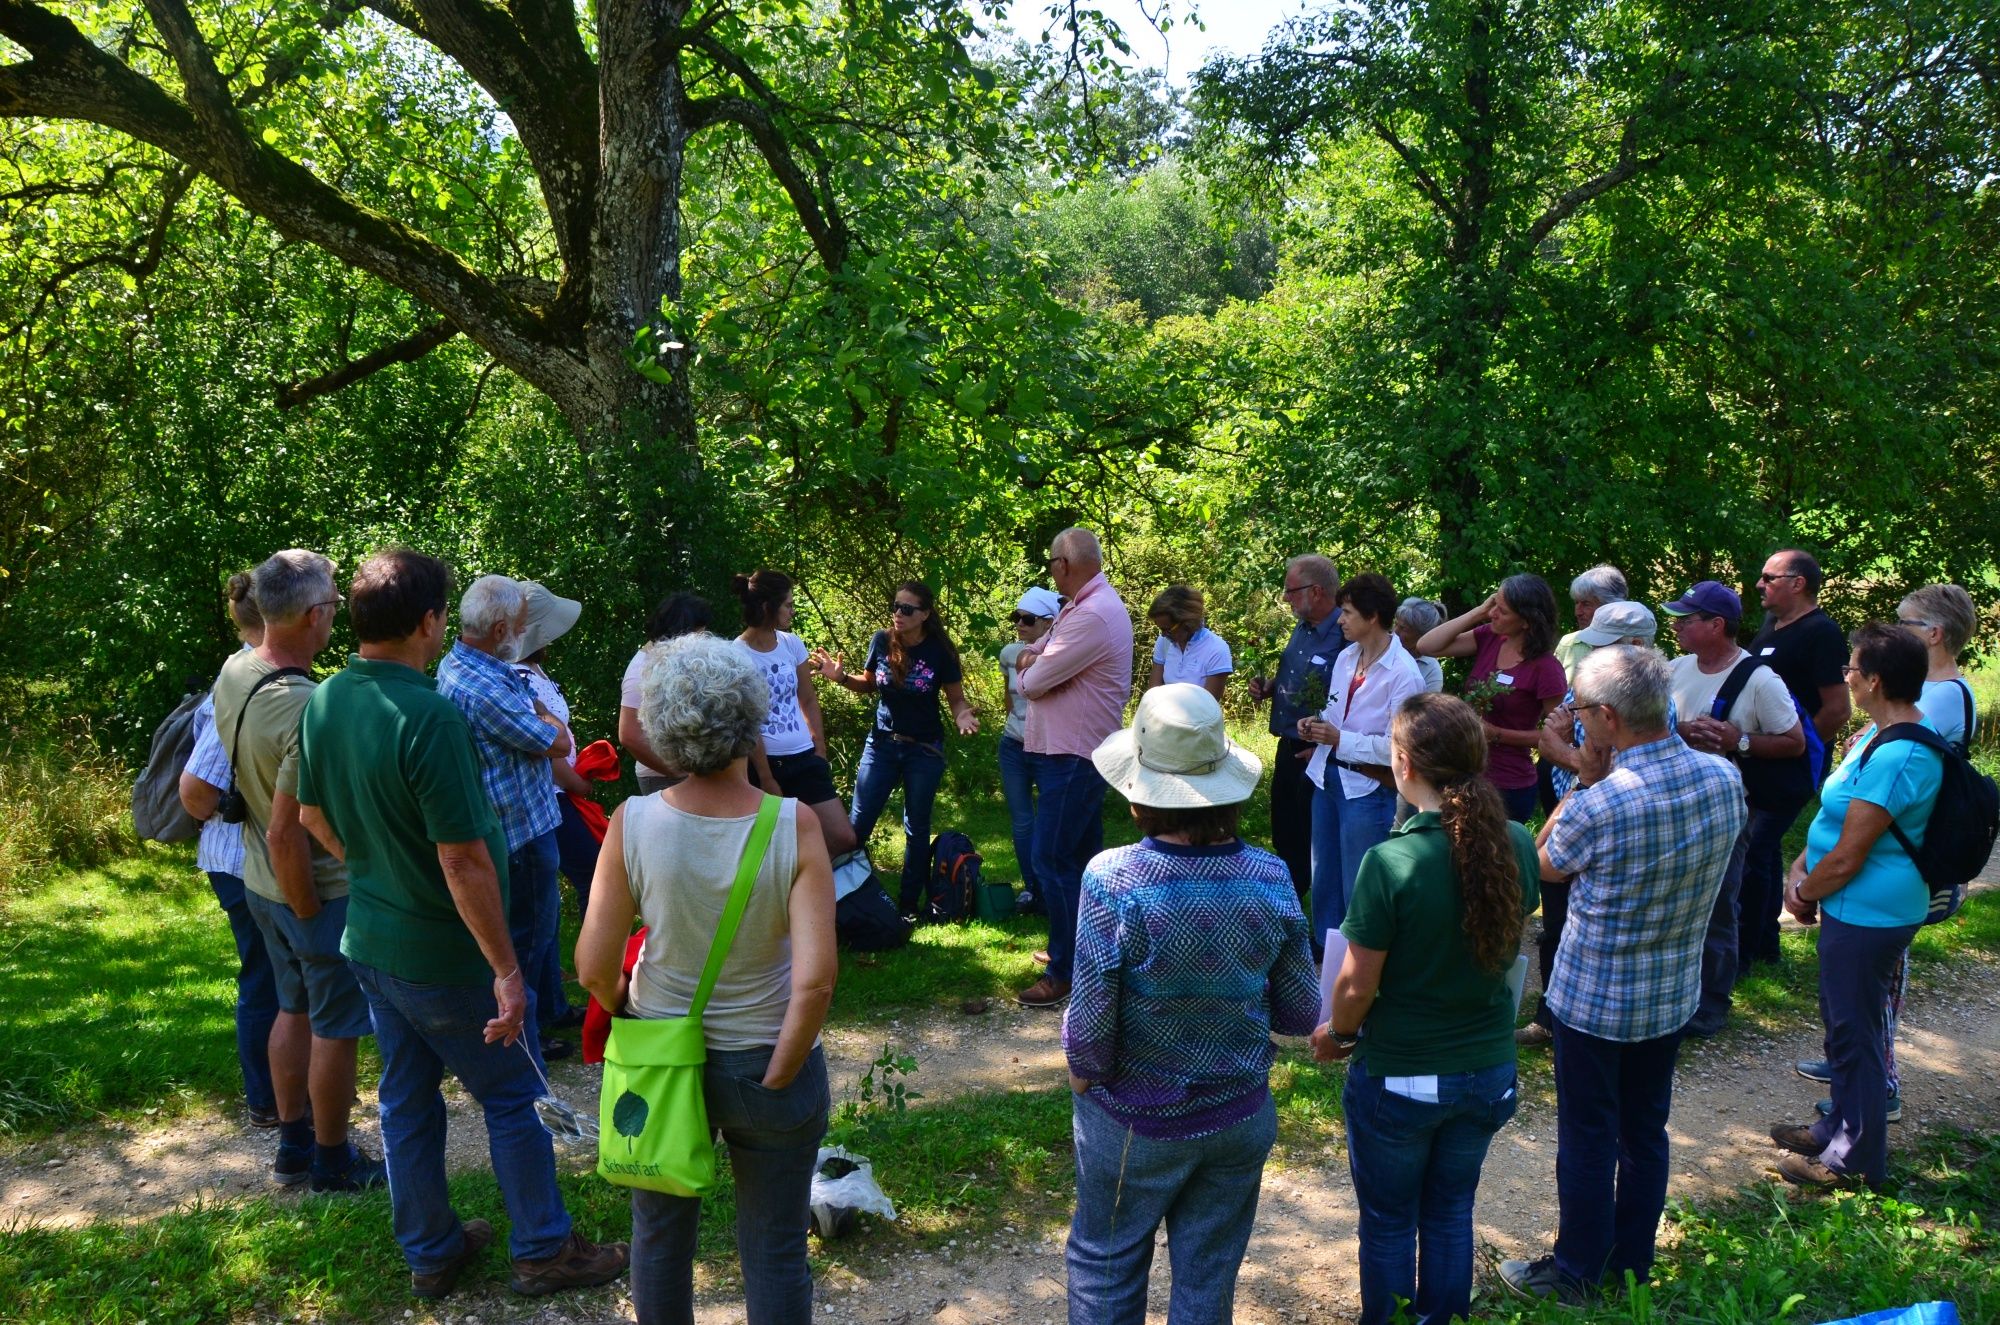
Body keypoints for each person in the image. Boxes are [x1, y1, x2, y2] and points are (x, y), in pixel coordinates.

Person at [295, 549, 629, 1301]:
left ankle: (430, 1249)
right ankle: (544, 1247)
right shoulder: (428, 714)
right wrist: (508, 972)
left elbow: (311, 812)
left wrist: (375, 868)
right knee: (515, 1093)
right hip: (443, 955)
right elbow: (463, 861)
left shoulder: (326, 699)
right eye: (442, 612)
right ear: (428, 622)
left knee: (406, 1097)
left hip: (371, 942)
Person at [576, 633, 836, 1325]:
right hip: (767, 1058)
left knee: (659, 1239)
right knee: (777, 1245)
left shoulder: (632, 823)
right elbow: (815, 981)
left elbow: (592, 966)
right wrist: (781, 1069)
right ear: (750, 720)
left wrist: (621, 1002)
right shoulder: (795, 823)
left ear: (664, 730)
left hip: (663, 1056)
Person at [1063, 684, 1317, 1325]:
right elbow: (1297, 1012)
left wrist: (1083, 1070)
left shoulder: (1114, 878)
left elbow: (1092, 1021)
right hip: (1239, 1114)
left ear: (1138, 789)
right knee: (1207, 1276)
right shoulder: (1269, 874)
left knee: (1106, 1262)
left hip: (1135, 1120)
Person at [1500, 646, 1745, 1304]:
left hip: (1593, 999)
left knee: (1587, 1132)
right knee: (1644, 1130)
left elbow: (1539, 864)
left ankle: (1576, 1269)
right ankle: (1631, 1261)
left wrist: (1582, 779)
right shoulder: (1722, 779)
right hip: (1670, 993)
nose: (1575, 720)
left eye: (1579, 711)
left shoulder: (1601, 802)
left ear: (1606, 716)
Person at [1313, 692, 1539, 1325]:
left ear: (1404, 763)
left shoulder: (1390, 861)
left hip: (1403, 1074)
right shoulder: (1515, 843)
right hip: (1488, 1072)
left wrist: (1340, 1035)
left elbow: (1356, 987)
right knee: (1449, 1211)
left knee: (1389, 1221)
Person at [210, 549, 382, 1191]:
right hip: (305, 890)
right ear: (315, 616)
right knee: (336, 1030)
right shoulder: (309, 706)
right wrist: (312, 910)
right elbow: (293, 828)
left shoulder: (237, 669)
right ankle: (334, 1161)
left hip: (257, 883)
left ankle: (292, 1147)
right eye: (334, 604)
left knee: (293, 1010)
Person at [1794, 585, 1984, 1121]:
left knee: (1873, 1000)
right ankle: (1856, 1100)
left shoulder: (1930, 709)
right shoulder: (1930, 702)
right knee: (1864, 1000)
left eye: (1906, 626)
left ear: (1935, 635)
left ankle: (1871, 1105)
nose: (1897, 634)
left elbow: (1878, 809)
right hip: (1871, 883)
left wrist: (1807, 886)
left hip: (1882, 886)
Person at [1770, 625, 1943, 1189]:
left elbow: (1850, 854)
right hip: (1850, 904)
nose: (1845, 676)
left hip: (1871, 911)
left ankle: (1855, 1158)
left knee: (1858, 1032)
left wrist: (1803, 889)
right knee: (1843, 1023)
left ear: (1873, 679)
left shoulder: (1904, 755)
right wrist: (1802, 867)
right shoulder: (1878, 735)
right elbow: (1836, 825)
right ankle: (1837, 1126)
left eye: (1851, 668)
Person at [437, 575, 576, 1060]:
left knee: (529, 939)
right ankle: (525, 1050)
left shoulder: (466, 665)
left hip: (516, 827)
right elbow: (558, 742)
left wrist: (537, 710)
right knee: (526, 945)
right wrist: (547, 715)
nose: (524, 632)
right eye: (519, 624)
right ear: (499, 630)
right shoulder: (487, 688)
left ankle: (535, 1026)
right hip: (522, 835)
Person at [1663, 580, 1807, 1037]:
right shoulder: (1675, 668)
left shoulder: (1760, 679)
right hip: (1674, 804)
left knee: (1719, 903)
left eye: (1687, 619)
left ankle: (1711, 1006)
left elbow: (1794, 742)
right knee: (1674, 901)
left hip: (1726, 810)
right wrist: (1682, 731)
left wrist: (1737, 740)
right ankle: (1675, 994)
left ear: (1716, 625)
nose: (1677, 626)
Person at [1519, 600, 1661, 1049]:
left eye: (1609, 645)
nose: (1594, 652)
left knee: (1581, 918)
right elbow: (1549, 738)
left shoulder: (1649, 708)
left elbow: (1616, 773)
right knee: (1556, 919)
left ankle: (1572, 1018)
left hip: (1599, 817)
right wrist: (1577, 760)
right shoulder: (1593, 686)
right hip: (1572, 801)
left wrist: (1579, 766)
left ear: (1638, 646)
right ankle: (1549, 1016)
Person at [1014, 528, 1135, 1009]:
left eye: (1050, 562)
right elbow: (1039, 659)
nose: (1049, 570)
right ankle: (1089, 955)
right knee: (1084, 864)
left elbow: (1034, 680)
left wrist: (1028, 666)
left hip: (1076, 754)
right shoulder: (1079, 608)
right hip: (1073, 752)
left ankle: (1066, 970)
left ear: (1064, 563)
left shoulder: (1093, 614)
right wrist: (1034, 660)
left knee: (1052, 860)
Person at [177, 572, 279, 1129]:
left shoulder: (246, 673)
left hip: (246, 856)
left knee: (272, 975)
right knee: (265, 977)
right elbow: (195, 793)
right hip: (239, 859)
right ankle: (268, 1099)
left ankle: (281, 1094)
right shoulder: (244, 684)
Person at [811, 580, 979, 914]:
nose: (897, 614)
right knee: (856, 827)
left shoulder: (940, 651)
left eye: (907, 608)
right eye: (895, 606)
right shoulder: (882, 640)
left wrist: (962, 717)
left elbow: (956, 699)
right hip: (882, 745)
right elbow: (869, 684)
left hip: (924, 749)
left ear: (925, 614)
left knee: (916, 827)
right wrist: (841, 677)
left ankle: (907, 905)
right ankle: (848, 898)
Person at [1297, 573, 1426, 948]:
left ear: (1372, 617)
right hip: (1327, 778)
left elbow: (1399, 747)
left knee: (1358, 885)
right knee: (1323, 879)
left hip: (1367, 788)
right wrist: (1316, 725)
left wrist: (1340, 739)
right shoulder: (1346, 657)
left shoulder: (1404, 674)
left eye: (1348, 613)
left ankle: (1359, 965)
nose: (1340, 620)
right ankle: (1326, 957)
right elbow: (1337, 716)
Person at [1741, 548, 1849, 962]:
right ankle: (1764, 946)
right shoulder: (1771, 625)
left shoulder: (1821, 632)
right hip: (1758, 759)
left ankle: (1748, 951)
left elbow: (1838, 709)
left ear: (1798, 583)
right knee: (1760, 852)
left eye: (1769, 578)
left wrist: (1799, 749)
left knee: (1754, 850)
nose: (1760, 584)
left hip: (1788, 767)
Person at [1415, 575, 1568, 822]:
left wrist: (1497, 733)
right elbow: (1427, 645)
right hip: (1466, 773)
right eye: (1493, 604)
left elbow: (1560, 735)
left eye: (1502, 611)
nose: (1493, 613)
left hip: (1509, 783)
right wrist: (1477, 612)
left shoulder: (1546, 668)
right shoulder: (1490, 637)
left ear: (1527, 621)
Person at [732, 569, 858, 858]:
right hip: (766, 765)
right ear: (767, 607)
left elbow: (808, 699)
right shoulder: (736, 654)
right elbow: (747, 723)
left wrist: (820, 750)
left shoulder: (791, 643)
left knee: (843, 837)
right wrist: (765, 778)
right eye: (787, 605)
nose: (792, 610)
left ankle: (805, 884)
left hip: (805, 757)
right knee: (773, 845)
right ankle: (789, 894)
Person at [1248, 555, 1346, 899]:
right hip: (1288, 747)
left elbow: (1353, 695)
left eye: (1291, 590)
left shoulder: (1346, 633)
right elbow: (1305, 674)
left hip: (1316, 753)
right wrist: (1273, 685)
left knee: (1312, 842)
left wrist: (1323, 747)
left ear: (1316, 591)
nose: (1286, 598)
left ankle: (1316, 922)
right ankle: (1288, 908)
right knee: (1285, 835)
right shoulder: (1303, 627)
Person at [515, 582, 600, 923]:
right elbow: (544, 747)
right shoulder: (521, 678)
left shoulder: (534, 670)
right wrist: (576, 783)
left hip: (560, 792)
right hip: (551, 793)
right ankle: (596, 961)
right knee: (592, 872)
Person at [1000, 587, 1061, 913]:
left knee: (1052, 822)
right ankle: (1032, 890)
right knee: (1023, 822)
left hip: (1048, 749)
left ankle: (1053, 890)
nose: (1019, 624)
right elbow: (1009, 697)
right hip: (1012, 746)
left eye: (1027, 619)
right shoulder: (1010, 653)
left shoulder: (1060, 657)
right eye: (1016, 618)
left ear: (1050, 623)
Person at [620, 592, 712, 793]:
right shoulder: (641, 669)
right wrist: (676, 771)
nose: (703, 639)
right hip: (661, 779)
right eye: (700, 633)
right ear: (682, 632)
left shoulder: (671, 660)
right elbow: (628, 735)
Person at [1145, 585, 1232, 700]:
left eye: (1167, 629)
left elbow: (1208, 706)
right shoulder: (1164, 641)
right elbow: (1153, 694)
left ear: (1187, 622)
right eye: (1160, 629)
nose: (1163, 634)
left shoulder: (1217, 650)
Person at [1555, 566, 1629, 679]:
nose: (1577, 612)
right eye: (1576, 602)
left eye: (1586, 604)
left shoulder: (1632, 643)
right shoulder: (1569, 643)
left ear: (1609, 607)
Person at [1392, 598, 1445, 694]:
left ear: (1422, 635)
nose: (1395, 631)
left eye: (1403, 628)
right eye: (1395, 624)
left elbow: (1426, 707)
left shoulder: (1431, 670)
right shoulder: (1384, 649)